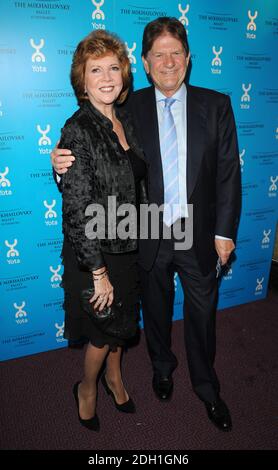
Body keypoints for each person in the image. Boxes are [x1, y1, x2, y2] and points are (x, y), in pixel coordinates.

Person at [52, 17, 241, 432]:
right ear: (145, 61)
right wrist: (59, 158)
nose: (168, 62)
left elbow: (228, 172)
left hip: (197, 233)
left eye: (176, 53)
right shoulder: (129, 105)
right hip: (146, 232)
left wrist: (224, 232)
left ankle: (207, 388)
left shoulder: (217, 105)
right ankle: (161, 370)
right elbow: (88, 135)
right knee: (153, 311)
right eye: (159, 55)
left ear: (188, 59)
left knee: (202, 314)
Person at [57, 30, 147, 431]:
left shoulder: (125, 119)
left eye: (114, 67)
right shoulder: (78, 129)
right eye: (97, 69)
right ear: (83, 78)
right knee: (100, 331)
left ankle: (114, 377)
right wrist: (97, 271)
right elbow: (76, 208)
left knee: (121, 326)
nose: (107, 77)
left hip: (130, 242)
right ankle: (88, 387)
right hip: (96, 251)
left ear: (125, 74)